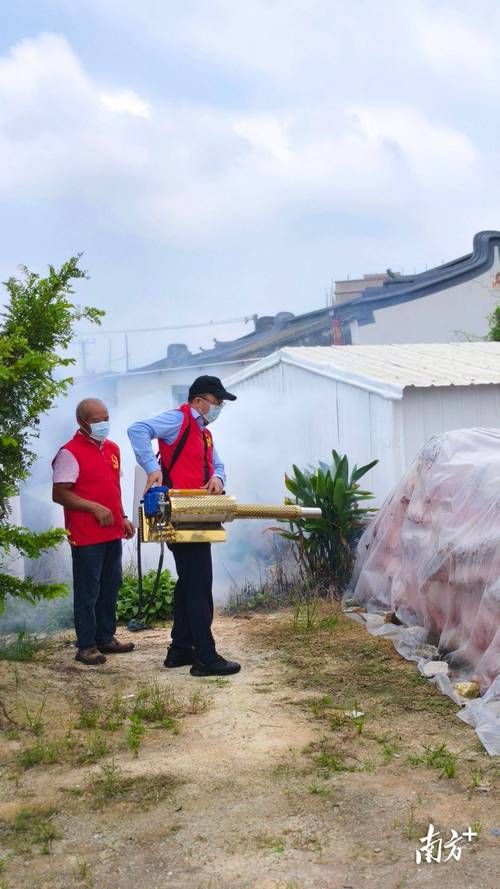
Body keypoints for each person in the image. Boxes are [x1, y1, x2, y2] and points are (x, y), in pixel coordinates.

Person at [127, 375, 241, 677]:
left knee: (189, 581)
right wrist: (153, 469)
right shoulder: (177, 420)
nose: (218, 408)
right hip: (178, 512)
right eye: (216, 402)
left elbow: (217, 465)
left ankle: (180, 649)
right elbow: (137, 430)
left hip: (199, 511)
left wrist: (218, 478)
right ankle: (206, 656)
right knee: (199, 583)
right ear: (198, 401)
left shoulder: (204, 432)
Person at [52, 398, 136, 666]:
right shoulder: (69, 452)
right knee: (88, 591)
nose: (103, 424)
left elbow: (112, 488)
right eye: (96, 420)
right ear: (82, 422)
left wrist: (121, 516)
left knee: (111, 586)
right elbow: (60, 494)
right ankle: (86, 645)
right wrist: (93, 508)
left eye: (105, 418)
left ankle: (105, 638)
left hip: (111, 531)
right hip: (86, 534)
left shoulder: (112, 448)